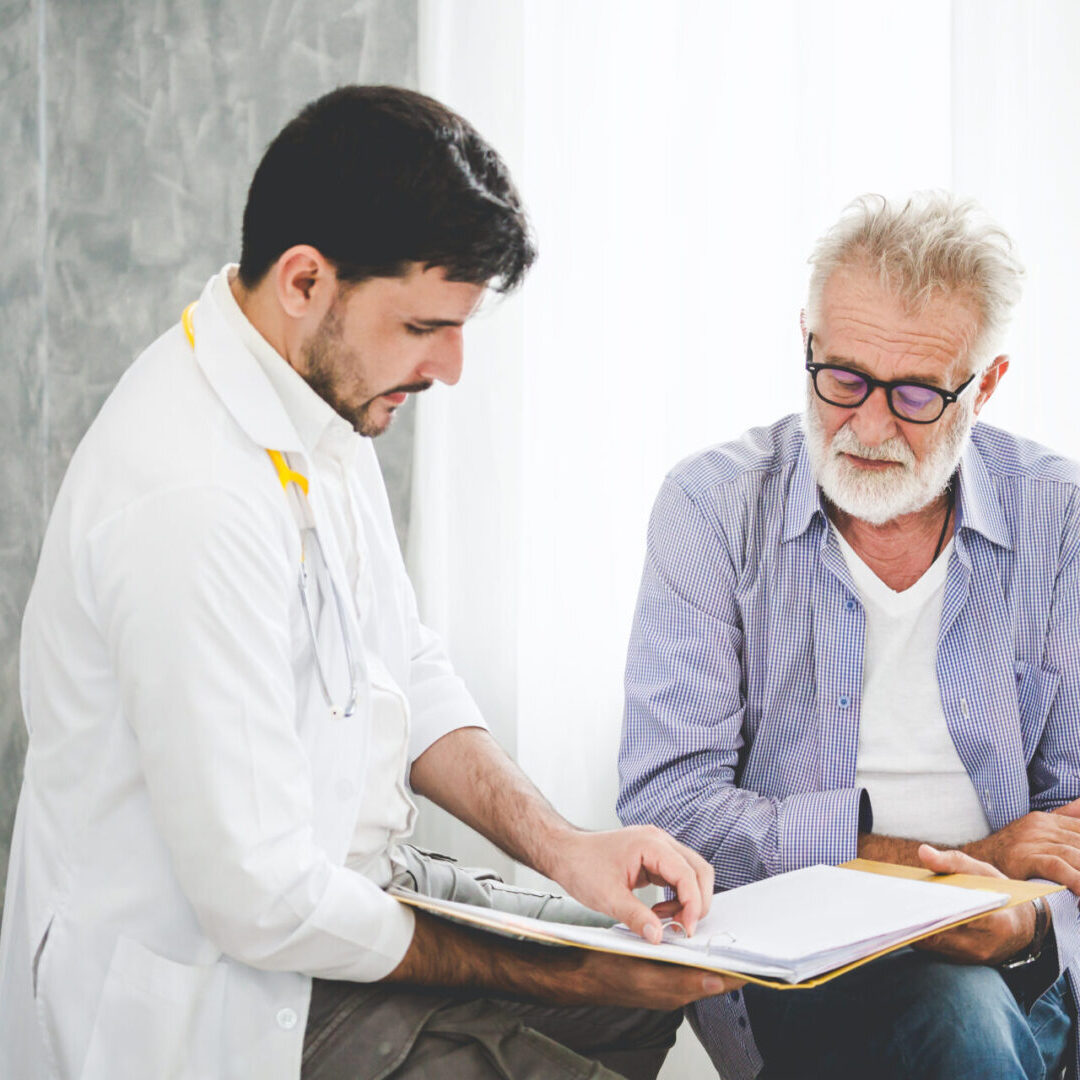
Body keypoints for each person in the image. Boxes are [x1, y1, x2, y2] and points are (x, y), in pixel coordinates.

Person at [0, 85, 739, 1080]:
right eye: (429, 325)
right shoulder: (189, 499)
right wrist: (556, 975)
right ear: (306, 279)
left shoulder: (315, 396)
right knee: (587, 1009)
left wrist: (566, 849)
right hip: (220, 986)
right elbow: (262, 902)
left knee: (644, 977)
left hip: (341, 898)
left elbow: (406, 668)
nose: (453, 367)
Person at [618, 191, 1080, 1080]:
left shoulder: (1058, 520)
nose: (868, 428)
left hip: (1027, 945)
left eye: (915, 396)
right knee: (958, 1023)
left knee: (979, 1015)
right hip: (800, 957)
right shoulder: (712, 507)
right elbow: (670, 806)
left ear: (986, 385)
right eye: (842, 380)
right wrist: (956, 866)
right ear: (807, 338)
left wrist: (1023, 919)